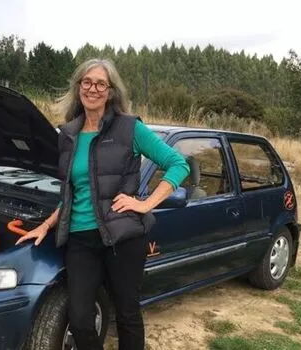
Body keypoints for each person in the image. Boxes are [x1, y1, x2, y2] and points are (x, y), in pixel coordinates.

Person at [16, 59, 190, 350]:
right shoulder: (69, 135)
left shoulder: (129, 129)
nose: (92, 89)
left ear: (110, 92)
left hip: (121, 239)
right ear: (78, 87)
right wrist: (45, 225)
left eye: (100, 83)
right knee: (81, 319)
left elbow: (178, 163)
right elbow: (71, 193)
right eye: (86, 82)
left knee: (127, 314)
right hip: (80, 240)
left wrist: (145, 204)